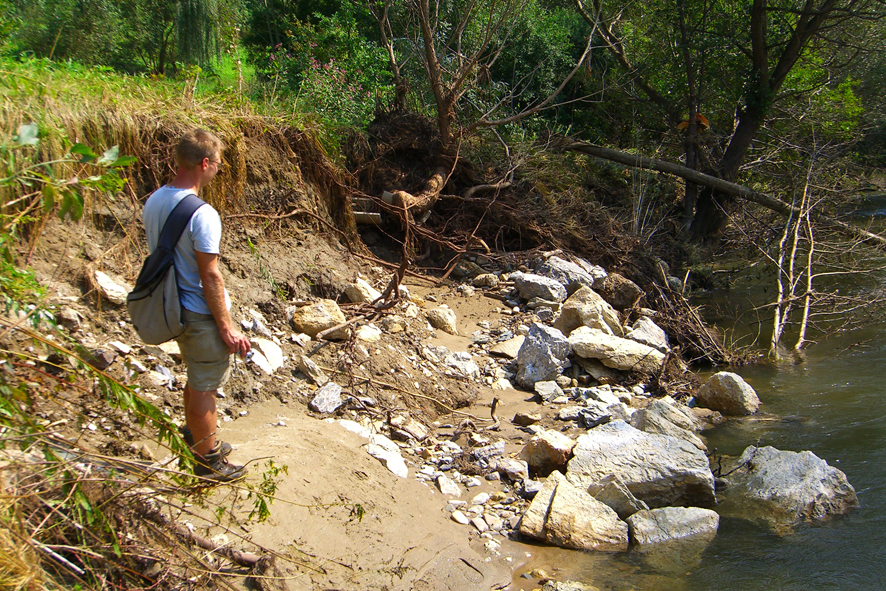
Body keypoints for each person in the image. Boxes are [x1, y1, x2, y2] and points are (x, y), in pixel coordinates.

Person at [142, 129, 251, 482]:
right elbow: (210, 276)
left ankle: (195, 437)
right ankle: (208, 461)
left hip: (171, 307)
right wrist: (226, 326)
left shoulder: (155, 200)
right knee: (205, 386)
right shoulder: (203, 215)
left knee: (195, 374)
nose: (219, 169)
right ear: (204, 163)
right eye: (218, 163)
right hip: (198, 312)